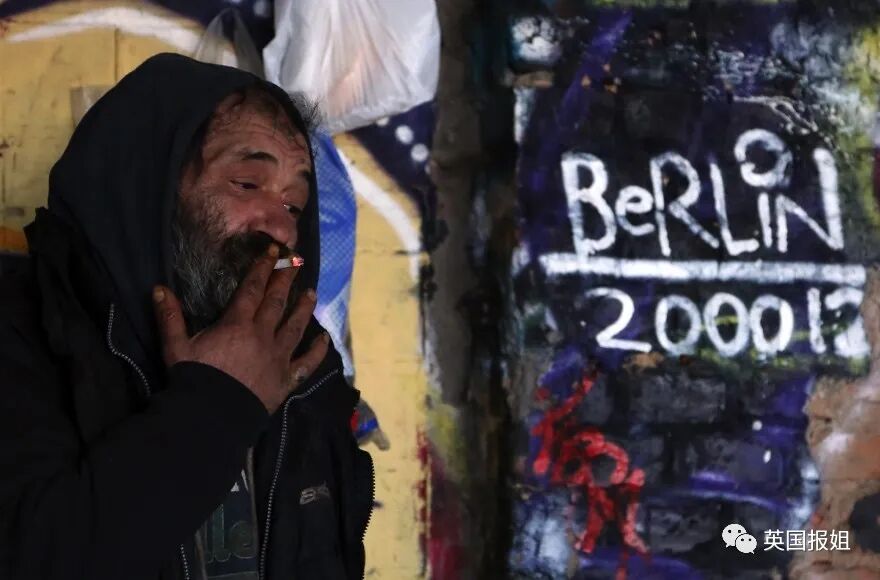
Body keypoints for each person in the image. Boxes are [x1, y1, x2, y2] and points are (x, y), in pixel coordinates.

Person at [0, 53, 373, 580]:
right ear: (146, 188)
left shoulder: (306, 372)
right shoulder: (24, 330)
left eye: (294, 205)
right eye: (247, 184)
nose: (282, 229)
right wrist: (217, 404)